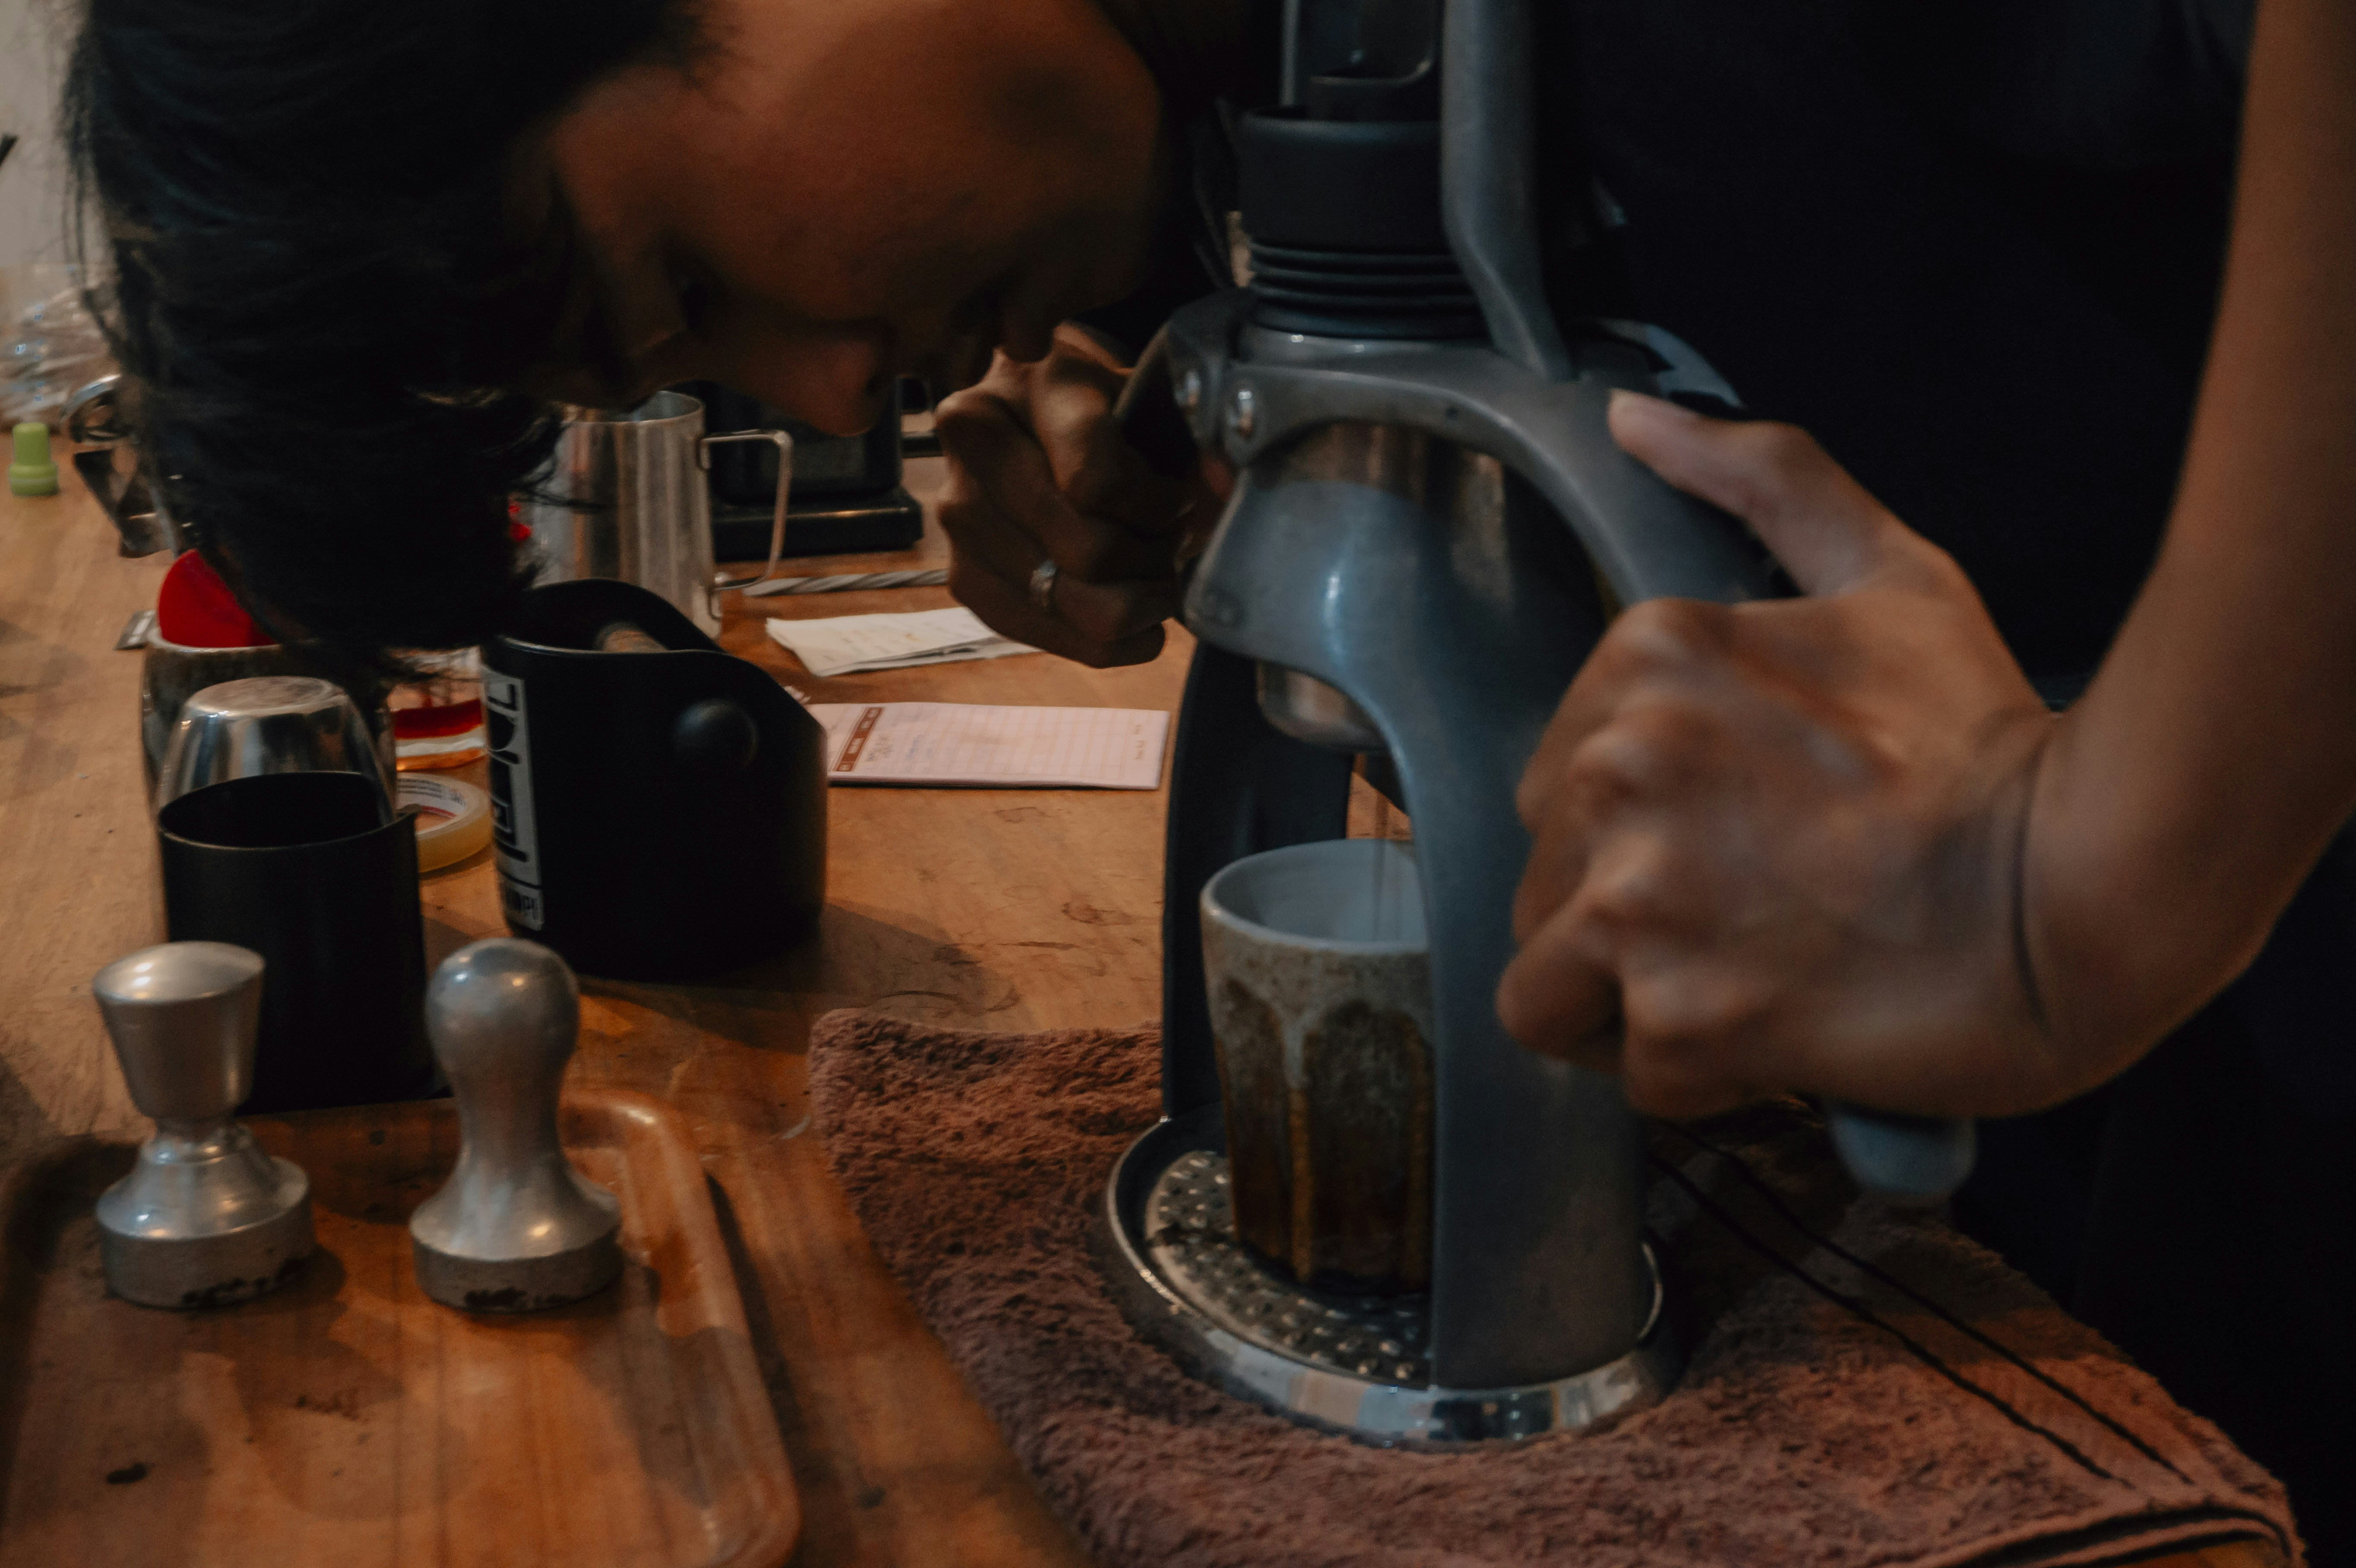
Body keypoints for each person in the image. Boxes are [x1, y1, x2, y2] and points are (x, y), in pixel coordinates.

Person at [65, 0, 2342, 1553]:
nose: (841, 397)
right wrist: (1181, 357)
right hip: (2040, 1211)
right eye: (699, 386)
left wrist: (2113, 867)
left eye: (676, 281)